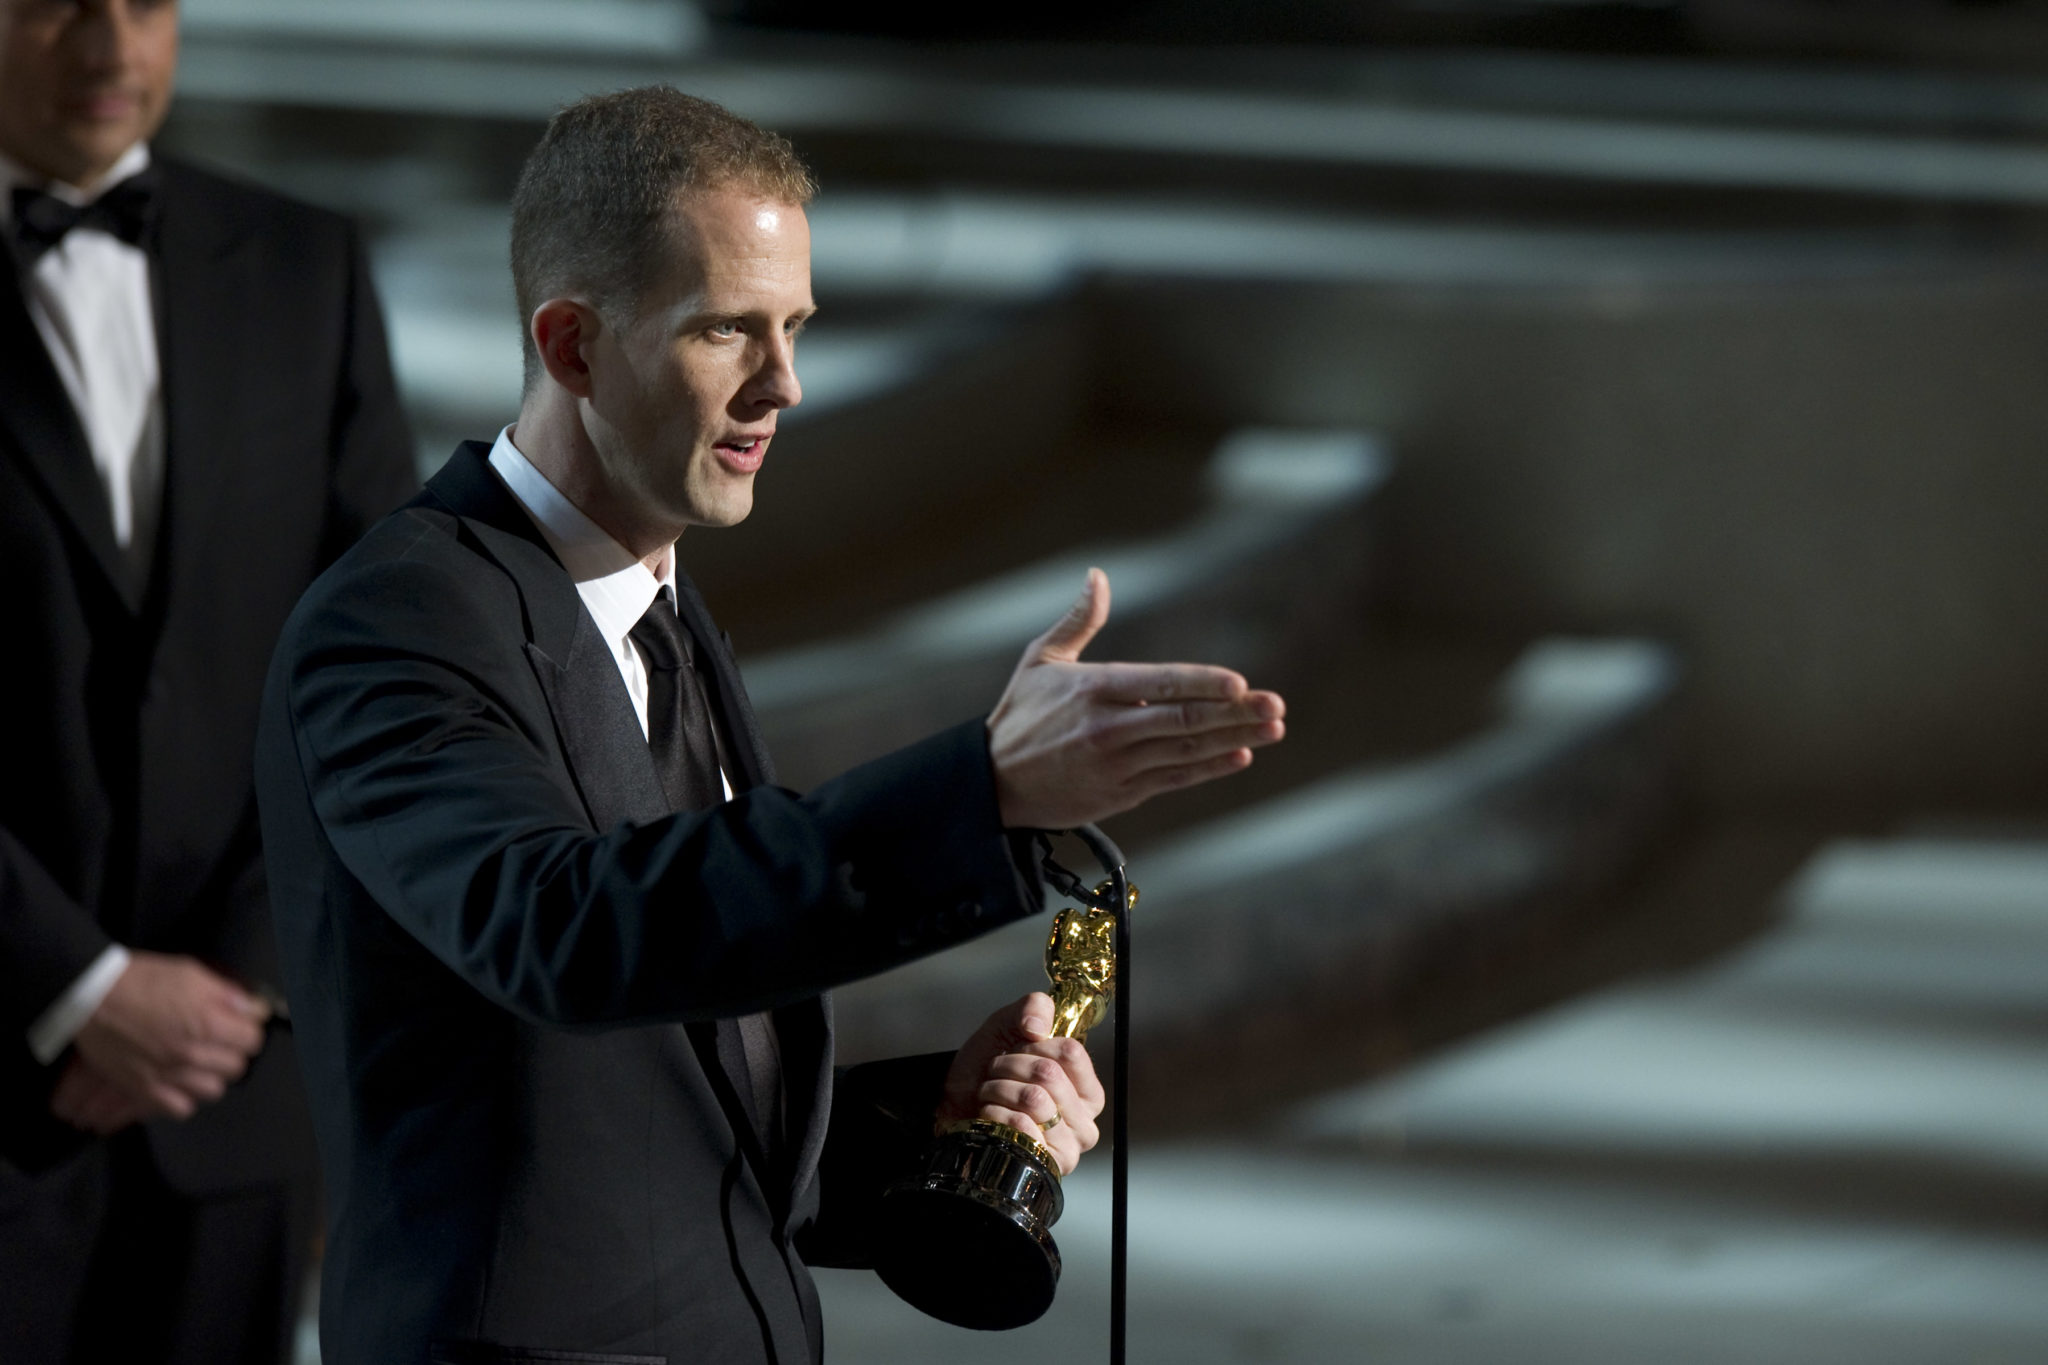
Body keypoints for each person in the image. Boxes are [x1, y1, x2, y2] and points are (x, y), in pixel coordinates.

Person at [255, 86, 1284, 1365]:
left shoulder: (666, 612)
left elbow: (651, 1101)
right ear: (571, 347)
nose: (783, 384)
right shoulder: (398, 621)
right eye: (726, 331)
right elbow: (566, 931)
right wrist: (984, 789)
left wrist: (936, 1122)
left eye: (792, 327)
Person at [0, 0, 418, 1360]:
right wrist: (76, 985)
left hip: (234, 1095)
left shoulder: (309, 265)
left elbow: (382, 659)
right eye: (55, 5)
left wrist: (238, 977)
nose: (110, 46)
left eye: (146, 3)